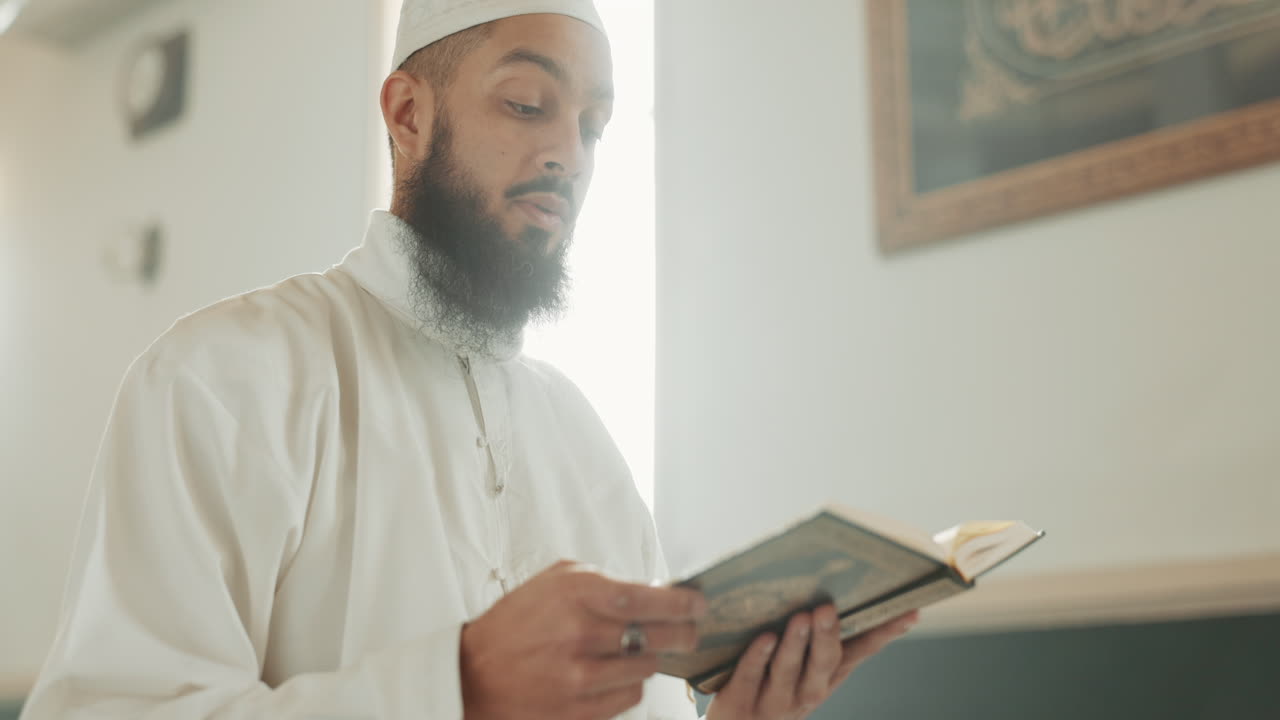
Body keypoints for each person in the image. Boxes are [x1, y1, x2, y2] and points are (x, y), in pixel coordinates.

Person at [19, 1, 917, 718]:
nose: (568, 154)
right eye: (528, 104)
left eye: (595, 125)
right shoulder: (223, 377)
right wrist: (459, 687)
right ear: (409, 115)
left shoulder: (584, 445)